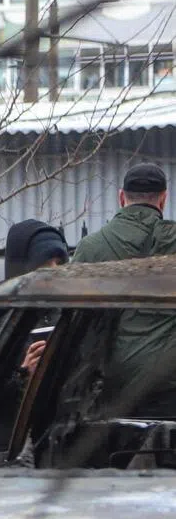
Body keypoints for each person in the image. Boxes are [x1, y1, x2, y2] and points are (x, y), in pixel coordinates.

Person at [72, 163, 176, 416]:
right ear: (163, 198)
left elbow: (75, 324)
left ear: (121, 197)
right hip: (170, 388)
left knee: (119, 455)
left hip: (113, 392)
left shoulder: (90, 248)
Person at [0, 219, 68, 450]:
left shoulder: (68, 312)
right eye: (45, 263)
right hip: (12, 452)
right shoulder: (0, 316)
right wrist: (23, 374)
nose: (53, 270)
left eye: (59, 262)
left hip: (60, 449)